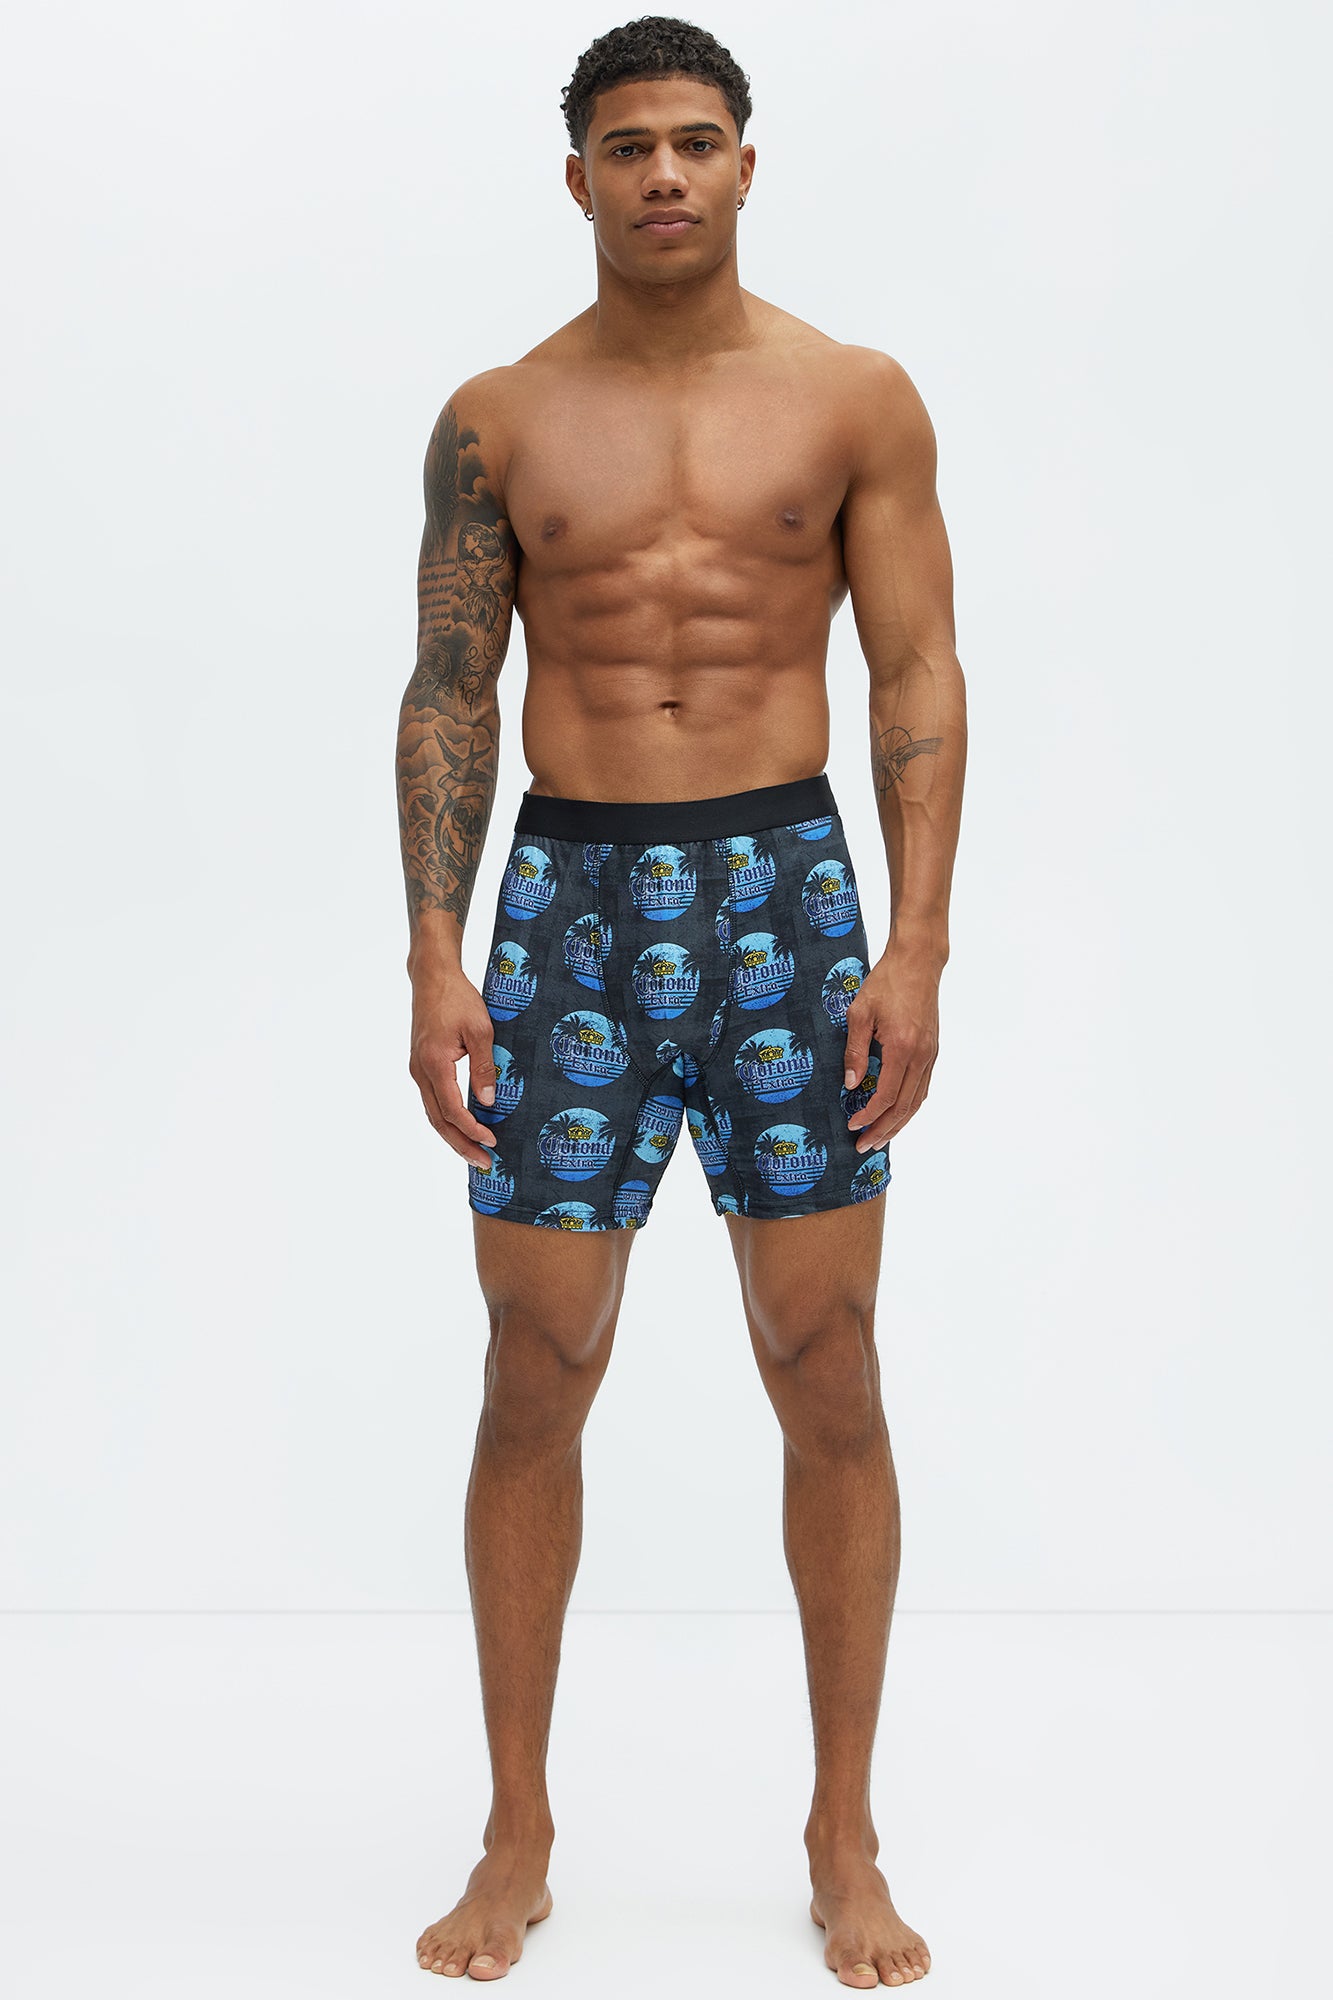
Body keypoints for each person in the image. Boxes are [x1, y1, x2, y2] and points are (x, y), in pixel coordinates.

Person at [397, 15, 963, 1988]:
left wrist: (915, 943)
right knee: (533, 1367)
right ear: (577, 177)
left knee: (828, 1357)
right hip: (564, 908)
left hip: (784, 906)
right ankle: (517, 1830)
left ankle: (841, 1831)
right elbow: (449, 689)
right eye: (627, 143)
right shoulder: (498, 419)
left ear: (743, 165)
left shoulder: (851, 397)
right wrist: (434, 952)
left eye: (695, 140)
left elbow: (915, 672)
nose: (662, 172)